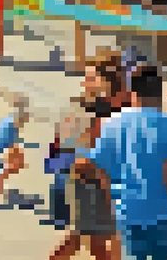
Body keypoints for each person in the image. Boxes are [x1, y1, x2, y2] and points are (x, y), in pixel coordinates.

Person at [76, 63, 167, 260]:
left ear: (132, 91)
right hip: (163, 213)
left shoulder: (111, 123)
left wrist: (112, 201)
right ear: (159, 91)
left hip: (127, 211)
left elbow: (101, 168)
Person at [51, 59, 122, 260]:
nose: (88, 82)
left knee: (95, 240)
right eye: (88, 78)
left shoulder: (105, 110)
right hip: (87, 180)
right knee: (88, 239)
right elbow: (64, 146)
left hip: (89, 179)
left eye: (93, 78)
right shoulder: (83, 110)